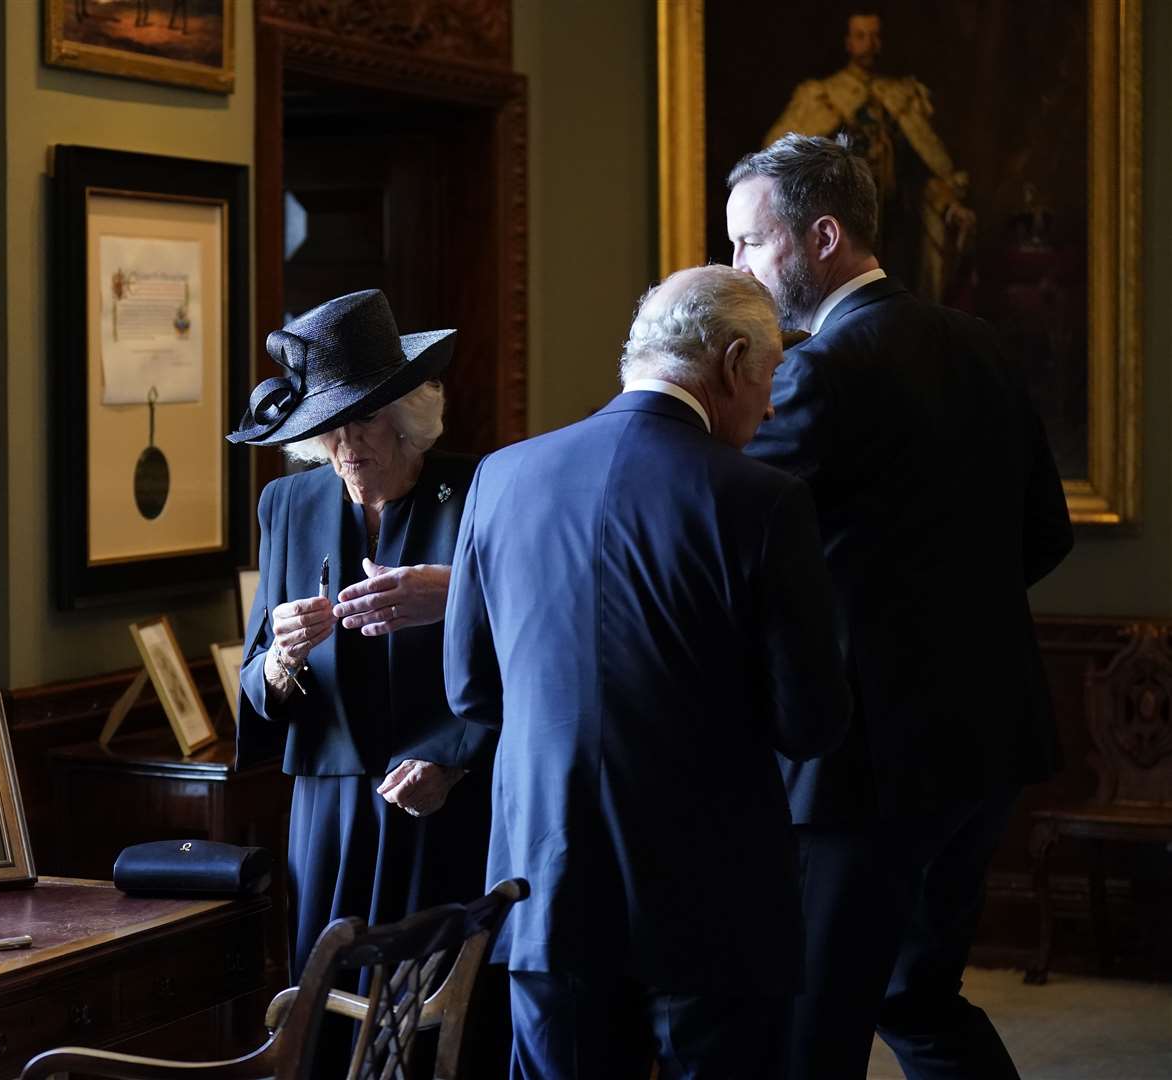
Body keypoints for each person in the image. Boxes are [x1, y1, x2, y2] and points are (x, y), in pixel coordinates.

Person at [443, 265, 851, 1079]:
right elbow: (810, 723)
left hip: (546, 888)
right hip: (713, 901)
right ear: (734, 361)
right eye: (769, 377)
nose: (770, 406)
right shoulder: (762, 500)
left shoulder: (502, 477)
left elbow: (469, 691)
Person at [727, 133, 1073, 1078]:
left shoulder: (821, 372)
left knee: (815, 1025)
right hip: (989, 740)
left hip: (870, 761)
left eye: (751, 244)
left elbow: (725, 538)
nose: (737, 268)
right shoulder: (984, 346)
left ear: (823, 235)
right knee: (917, 996)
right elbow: (1048, 534)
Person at [228, 288, 496, 1072]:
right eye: (329, 428)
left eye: (367, 420)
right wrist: (279, 662)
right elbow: (253, 679)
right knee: (330, 1021)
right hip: (331, 814)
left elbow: (533, 647)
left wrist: (454, 755)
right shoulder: (288, 502)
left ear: (409, 412)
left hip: (442, 802)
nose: (347, 446)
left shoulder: (479, 490)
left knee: (430, 1028)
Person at [763, 11, 974, 304]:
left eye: (875, 36)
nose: (870, 44)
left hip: (896, 220)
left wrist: (946, 200)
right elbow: (781, 153)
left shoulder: (900, 96)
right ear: (849, 42)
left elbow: (922, 165)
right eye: (861, 36)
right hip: (841, 219)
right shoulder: (824, 97)